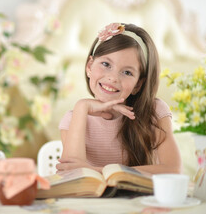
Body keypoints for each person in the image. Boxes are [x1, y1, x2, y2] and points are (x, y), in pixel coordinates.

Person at [56, 23, 182, 174]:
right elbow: (70, 175)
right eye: (106, 64)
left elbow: (173, 169)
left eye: (127, 72)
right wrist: (82, 107)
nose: (113, 78)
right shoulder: (75, 117)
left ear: (138, 84)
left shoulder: (154, 111)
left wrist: (98, 170)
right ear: (89, 66)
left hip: (139, 197)